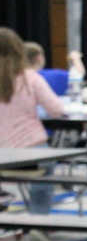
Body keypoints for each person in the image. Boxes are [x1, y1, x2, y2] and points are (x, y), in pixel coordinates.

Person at [0, 28, 64, 217]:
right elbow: (57, 110)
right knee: (45, 174)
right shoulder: (31, 78)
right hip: (31, 152)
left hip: (2, 156)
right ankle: (39, 220)